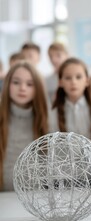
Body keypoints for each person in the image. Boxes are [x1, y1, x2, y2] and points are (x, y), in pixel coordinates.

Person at [0, 61, 48, 191]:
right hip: (3, 197)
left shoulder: (47, 119)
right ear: (7, 84)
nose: (22, 88)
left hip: (37, 199)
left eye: (30, 84)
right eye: (16, 82)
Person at [49, 57, 91, 159]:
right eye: (68, 78)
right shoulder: (53, 113)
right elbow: (52, 151)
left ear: (87, 81)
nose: (73, 82)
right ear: (60, 82)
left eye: (78, 77)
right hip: (63, 173)